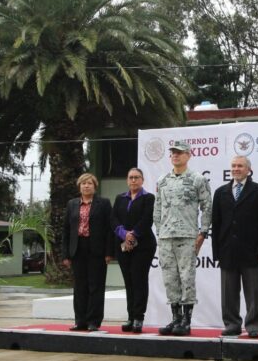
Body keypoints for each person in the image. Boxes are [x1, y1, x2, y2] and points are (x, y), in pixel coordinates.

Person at [153, 140, 212, 336]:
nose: (175, 155)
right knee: (170, 279)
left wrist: (203, 232)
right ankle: (175, 318)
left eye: (180, 152)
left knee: (187, 278)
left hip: (187, 236)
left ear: (188, 155)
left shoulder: (197, 179)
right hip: (166, 237)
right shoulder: (162, 180)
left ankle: (186, 320)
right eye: (173, 153)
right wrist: (160, 232)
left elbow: (207, 207)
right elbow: (157, 208)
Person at [211, 156, 258, 338]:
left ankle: (253, 326)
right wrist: (216, 252)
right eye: (233, 166)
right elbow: (216, 224)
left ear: (248, 170)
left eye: (240, 166)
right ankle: (232, 324)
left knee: (253, 292)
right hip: (227, 250)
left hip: (251, 251)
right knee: (228, 293)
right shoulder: (220, 192)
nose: (236, 169)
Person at [62, 173, 113, 332]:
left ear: (95, 186)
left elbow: (109, 229)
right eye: (83, 183)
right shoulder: (72, 204)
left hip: (97, 250)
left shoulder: (103, 203)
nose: (86, 186)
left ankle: (93, 321)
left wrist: (109, 252)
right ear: (79, 186)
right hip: (77, 249)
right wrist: (66, 254)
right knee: (80, 287)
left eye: (89, 183)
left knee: (95, 286)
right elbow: (66, 230)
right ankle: (80, 321)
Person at [111, 167, 156, 334]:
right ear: (127, 180)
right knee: (128, 281)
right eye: (131, 177)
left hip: (143, 246)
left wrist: (133, 235)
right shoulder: (120, 198)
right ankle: (130, 317)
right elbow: (113, 219)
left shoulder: (148, 198)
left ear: (142, 180)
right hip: (123, 245)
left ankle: (138, 317)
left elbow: (147, 219)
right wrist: (124, 234)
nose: (133, 180)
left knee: (139, 280)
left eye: (137, 177)